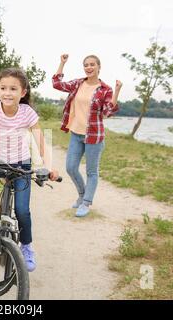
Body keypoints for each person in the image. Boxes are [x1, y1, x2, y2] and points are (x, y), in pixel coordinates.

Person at [0, 67, 59, 272]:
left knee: (22, 210)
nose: (7, 93)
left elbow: (42, 143)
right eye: (3, 88)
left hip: (20, 166)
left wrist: (48, 167)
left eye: (13, 89)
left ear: (23, 92)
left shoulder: (28, 113)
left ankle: (26, 247)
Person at [53, 54, 122, 217]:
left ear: (99, 67)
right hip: (76, 134)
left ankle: (86, 203)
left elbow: (107, 112)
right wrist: (62, 63)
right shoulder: (78, 84)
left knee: (92, 172)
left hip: (94, 136)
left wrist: (117, 91)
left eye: (92, 64)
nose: (89, 67)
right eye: (86, 65)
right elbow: (57, 84)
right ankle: (82, 195)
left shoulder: (105, 90)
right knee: (70, 167)